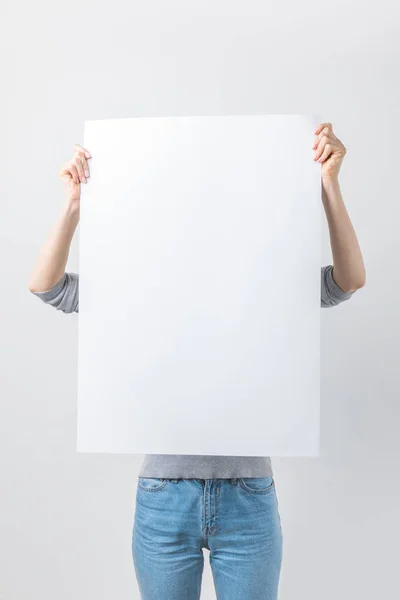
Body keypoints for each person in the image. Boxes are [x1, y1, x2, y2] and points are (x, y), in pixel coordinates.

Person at [28, 121, 366, 600]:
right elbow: (47, 286)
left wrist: (328, 185)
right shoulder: (141, 284)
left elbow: (347, 280)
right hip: (164, 497)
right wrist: (73, 206)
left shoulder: (267, 279)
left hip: (248, 497)